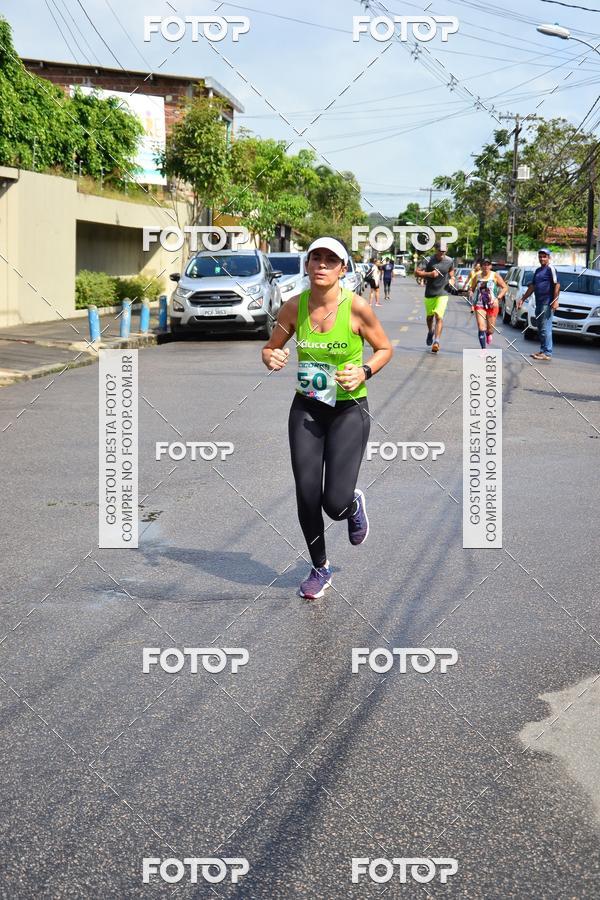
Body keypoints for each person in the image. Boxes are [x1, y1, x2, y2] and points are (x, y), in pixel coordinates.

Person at [261, 237, 393, 600]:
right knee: (306, 495)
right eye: (315, 258)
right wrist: (271, 356)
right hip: (307, 408)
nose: (321, 264)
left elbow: (384, 348)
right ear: (306, 265)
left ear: (342, 269)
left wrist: (364, 371)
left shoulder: (357, 308)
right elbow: (271, 347)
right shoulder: (293, 307)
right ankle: (320, 567)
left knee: (334, 504)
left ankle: (352, 504)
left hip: (349, 410)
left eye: (330, 260)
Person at [517, 248, 559, 361]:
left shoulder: (551, 269)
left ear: (549, 257)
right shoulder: (538, 271)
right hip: (539, 302)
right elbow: (533, 286)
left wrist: (555, 300)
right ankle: (543, 350)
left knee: (546, 328)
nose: (542, 258)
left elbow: (557, 285)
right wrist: (523, 299)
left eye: (544, 256)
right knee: (540, 328)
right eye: (540, 256)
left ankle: (547, 352)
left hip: (547, 303)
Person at [415, 242, 455, 353]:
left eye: (444, 251)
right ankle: (430, 331)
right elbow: (416, 272)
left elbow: (451, 271)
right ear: (435, 249)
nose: (442, 253)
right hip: (430, 293)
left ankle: (436, 341)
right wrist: (429, 274)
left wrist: (452, 279)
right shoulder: (428, 260)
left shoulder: (449, 261)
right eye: (440, 250)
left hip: (443, 293)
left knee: (439, 316)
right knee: (429, 317)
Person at [472, 259, 507, 348]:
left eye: (488, 264)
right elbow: (472, 289)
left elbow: (505, 287)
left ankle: (488, 334)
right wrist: (470, 294)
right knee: (481, 327)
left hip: (492, 305)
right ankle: (483, 349)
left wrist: (498, 298)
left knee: (490, 329)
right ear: (481, 266)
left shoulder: (495, 275)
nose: (486, 266)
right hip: (480, 305)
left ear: (491, 266)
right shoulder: (477, 276)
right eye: (484, 264)